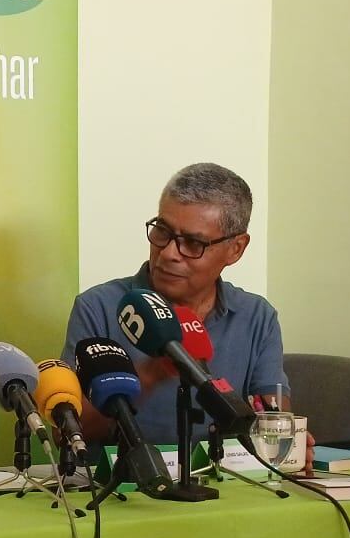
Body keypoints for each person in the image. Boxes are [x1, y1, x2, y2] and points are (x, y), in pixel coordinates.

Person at [65, 162, 286, 446]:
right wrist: (149, 374)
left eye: (193, 243)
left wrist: (286, 441)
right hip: (126, 485)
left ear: (236, 249)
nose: (169, 253)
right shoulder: (99, 307)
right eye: (162, 231)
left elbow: (274, 416)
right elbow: (69, 431)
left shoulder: (257, 316)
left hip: (224, 483)